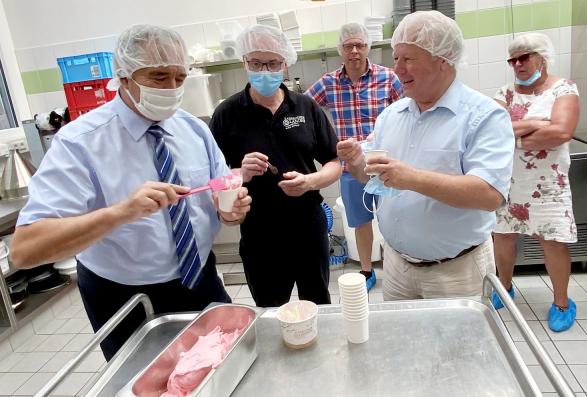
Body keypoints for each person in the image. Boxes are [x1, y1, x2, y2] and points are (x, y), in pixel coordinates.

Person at [10, 25, 251, 360]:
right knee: (145, 381)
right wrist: (120, 212)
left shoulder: (193, 129)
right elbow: (24, 250)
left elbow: (219, 190)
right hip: (124, 294)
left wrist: (228, 209)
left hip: (200, 278)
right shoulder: (80, 143)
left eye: (179, 78)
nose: (171, 88)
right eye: (158, 77)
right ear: (123, 77)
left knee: (224, 364)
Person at [337, 11, 515, 300]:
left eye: (408, 59)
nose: (398, 69)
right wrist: (357, 161)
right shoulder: (391, 116)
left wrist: (411, 178)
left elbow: (489, 194)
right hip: (397, 268)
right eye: (395, 59)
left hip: (456, 272)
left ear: (442, 60)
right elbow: (371, 176)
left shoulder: (484, 116)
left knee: (457, 347)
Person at [210, 25, 341, 308]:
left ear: (285, 63)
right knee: (269, 309)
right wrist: (239, 174)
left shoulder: (305, 107)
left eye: (272, 63)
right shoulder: (227, 114)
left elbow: (334, 162)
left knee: (317, 302)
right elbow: (212, 182)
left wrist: (310, 182)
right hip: (259, 232)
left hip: (308, 225)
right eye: (256, 63)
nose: (264, 71)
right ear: (244, 62)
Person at [492, 33, 580, 332]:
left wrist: (513, 134)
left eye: (524, 57)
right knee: (502, 237)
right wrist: (534, 124)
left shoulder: (563, 89)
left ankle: (562, 302)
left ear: (542, 57)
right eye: (512, 60)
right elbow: (492, 132)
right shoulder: (504, 93)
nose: (517, 65)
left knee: (552, 242)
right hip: (509, 182)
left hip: (548, 185)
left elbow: (561, 133)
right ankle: (504, 288)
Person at [306, 22, 403, 291]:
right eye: (349, 46)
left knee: (394, 216)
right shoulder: (328, 83)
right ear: (341, 50)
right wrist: (323, 143)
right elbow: (302, 110)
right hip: (350, 168)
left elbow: (410, 108)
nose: (355, 51)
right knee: (361, 222)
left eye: (359, 45)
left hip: (384, 165)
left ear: (368, 47)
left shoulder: (388, 77)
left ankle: (398, 267)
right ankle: (366, 270)